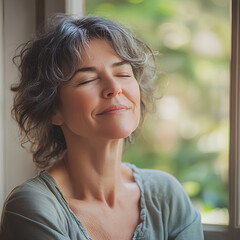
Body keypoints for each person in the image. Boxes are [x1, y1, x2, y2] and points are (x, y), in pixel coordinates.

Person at [0, 15, 204, 240]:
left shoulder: (166, 194)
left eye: (123, 74)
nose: (115, 88)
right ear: (52, 109)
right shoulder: (32, 207)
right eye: (88, 80)